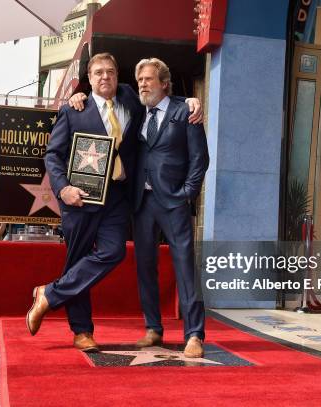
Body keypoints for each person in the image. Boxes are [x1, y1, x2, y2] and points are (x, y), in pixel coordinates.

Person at [27, 53, 203, 353]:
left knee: (114, 252)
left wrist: (191, 100)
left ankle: (50, 293)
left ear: (117, 76)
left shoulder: (130, 101)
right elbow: (53, 155)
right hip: (80, 199)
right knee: (78, 259)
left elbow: (162, 97)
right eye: (98, 73)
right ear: (89, 77)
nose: (104, 77)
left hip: (120, 198)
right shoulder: (74, 109)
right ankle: (82, 331)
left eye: (110, 71)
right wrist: (63, 188)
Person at [132, 58, 209, 358]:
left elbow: (200, 158)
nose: (143, 84)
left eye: (149, 79)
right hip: (142, 202)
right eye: (140, 80)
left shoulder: (184, 111)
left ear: (164, 82)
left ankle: (194, 335)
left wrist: (187, 193)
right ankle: (153, 328)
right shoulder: (136, 111)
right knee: (145, 267)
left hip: (174, 201)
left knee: (185, 267)